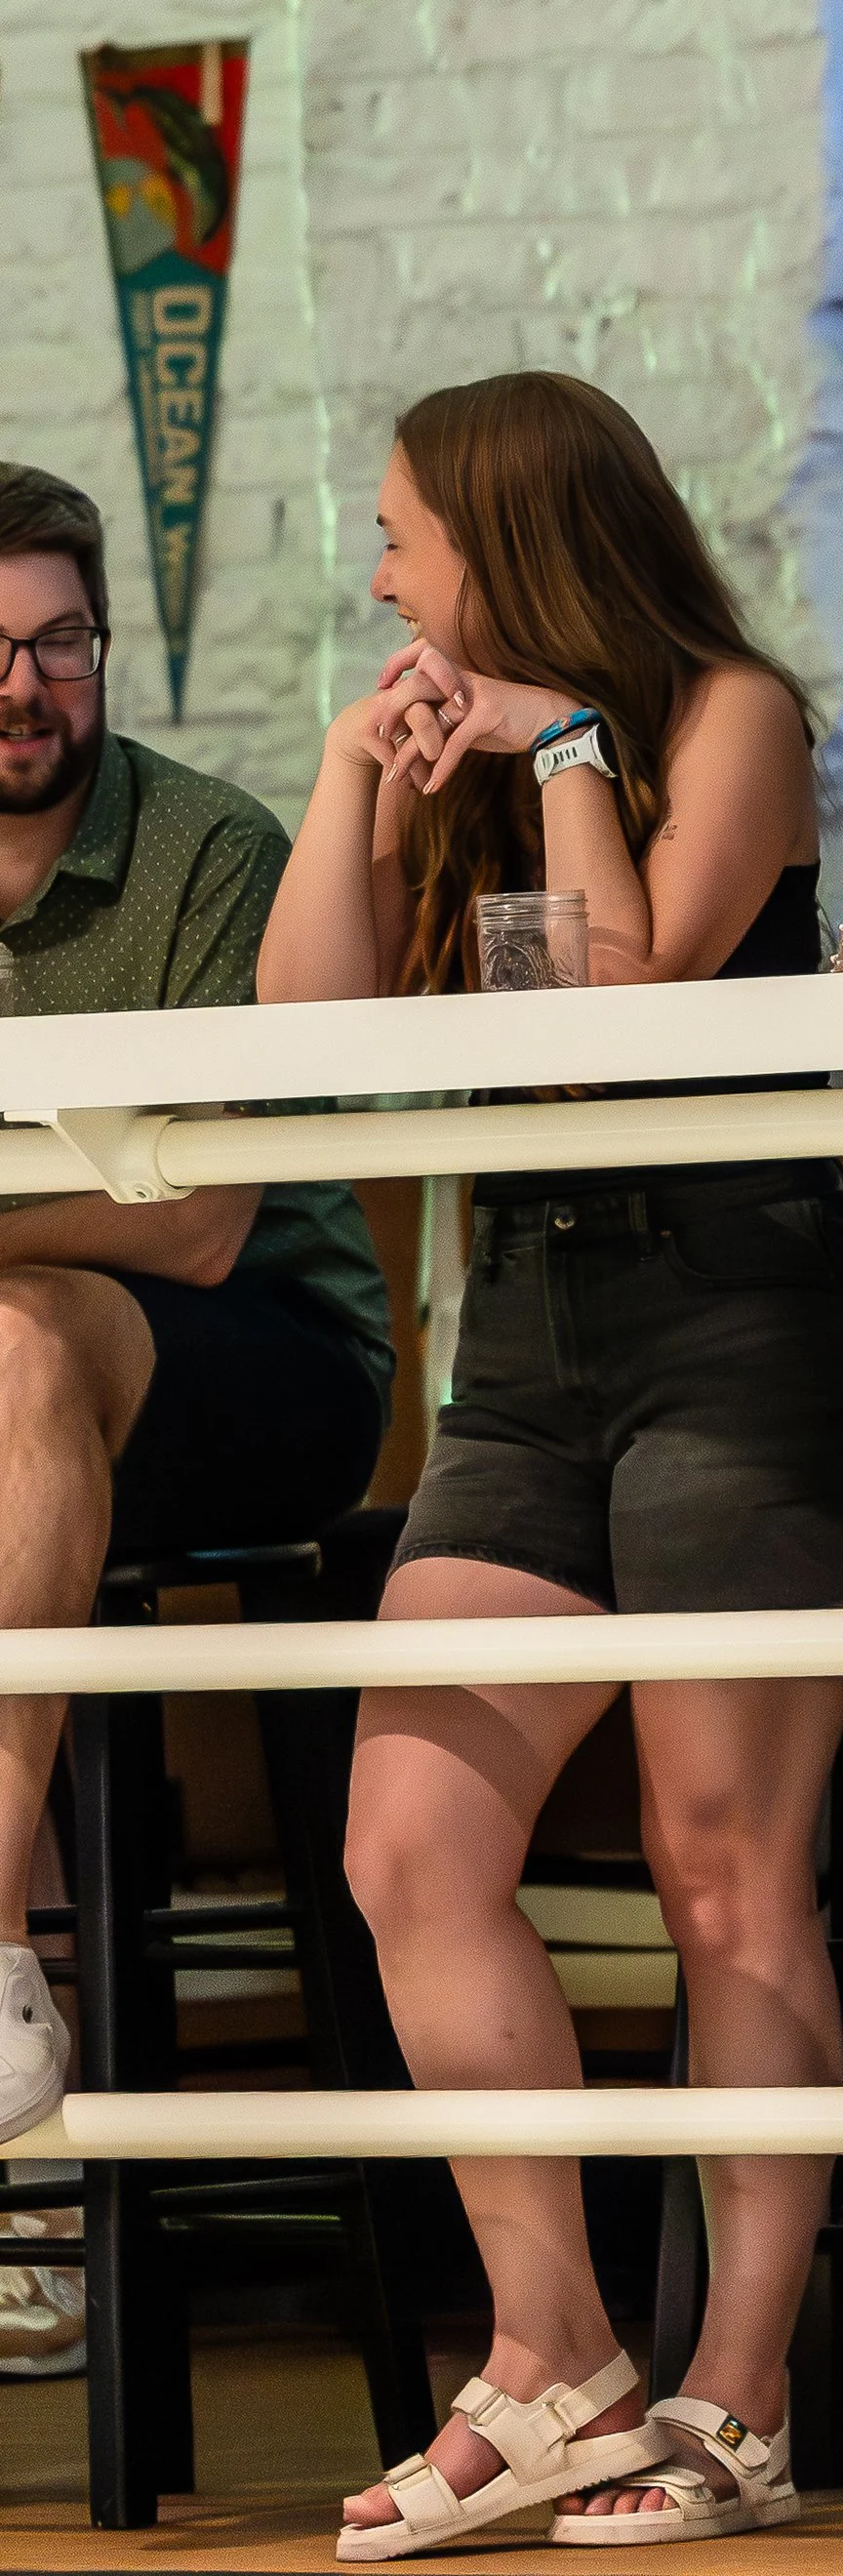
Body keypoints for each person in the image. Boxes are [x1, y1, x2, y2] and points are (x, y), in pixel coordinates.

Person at [260, 375, 843, 2561]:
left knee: (724, 1865)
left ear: (508, 537)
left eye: (401, 534)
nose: (381, 576)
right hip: (529, 1345)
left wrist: (560, 748)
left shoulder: (724, 712)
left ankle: (737, 2392)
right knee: (408, 1837)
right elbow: (302, 1045)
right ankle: (557, 2356)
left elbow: (623, 1004)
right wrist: (353, 778)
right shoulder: (442, 746)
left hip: (744, 1322)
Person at [0, 461, 397, 2372]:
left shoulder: (206, 847)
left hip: (263, 1367)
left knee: (21, 1342)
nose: (24, 687)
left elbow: (199, 1218)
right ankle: (27, 2173)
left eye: (59, 642)